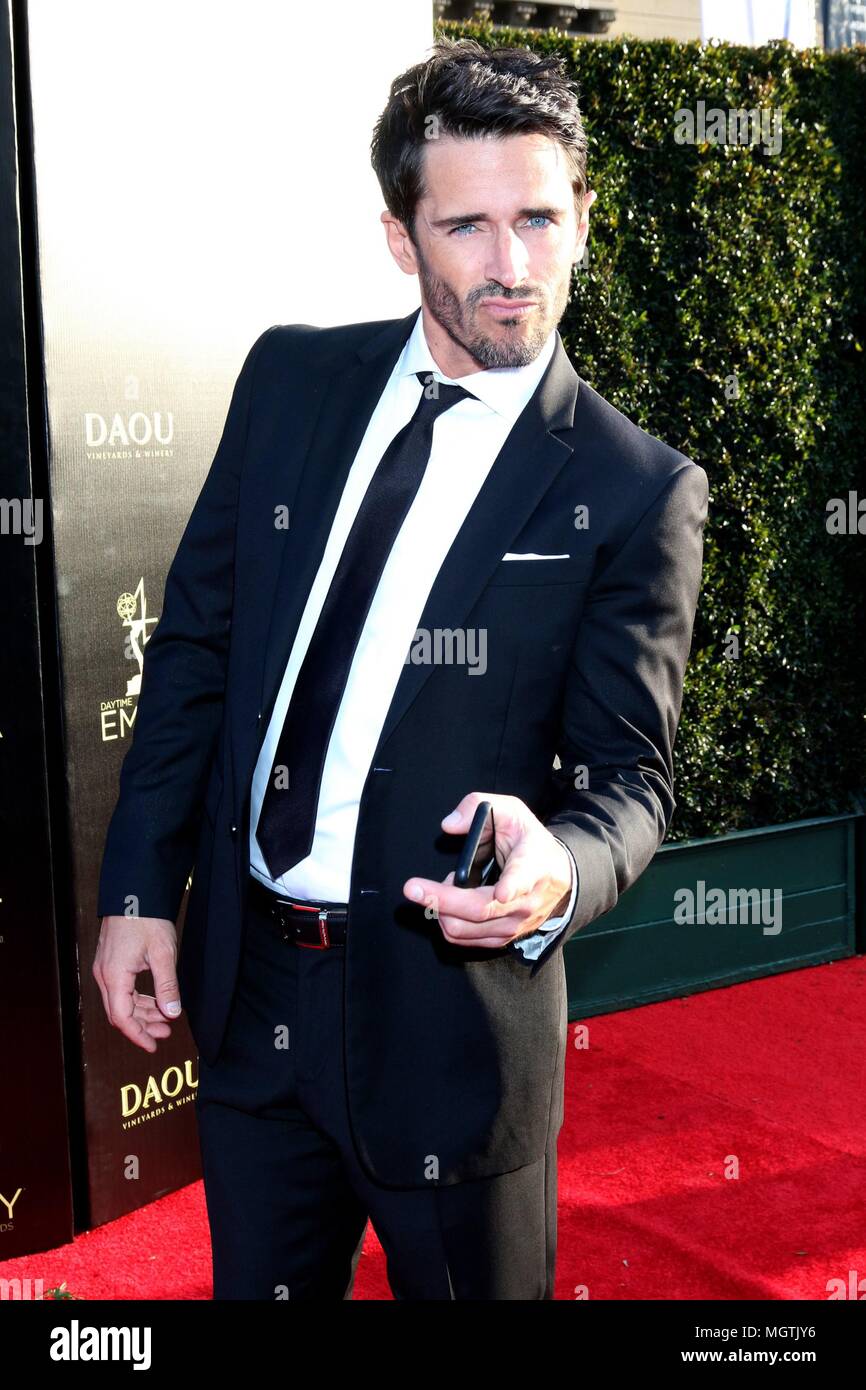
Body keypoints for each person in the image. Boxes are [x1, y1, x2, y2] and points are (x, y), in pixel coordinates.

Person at [93, 37, 708, 1300]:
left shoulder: (632, 490)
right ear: (398, 236)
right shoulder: (290, 381)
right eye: (468, 226)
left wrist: (557, 869)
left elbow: (628, 787)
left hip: (451, 1024)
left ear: (582, 213)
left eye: (540, 217)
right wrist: (141, 888)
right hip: (251, 991)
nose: (512, 266)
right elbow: (198, 654)